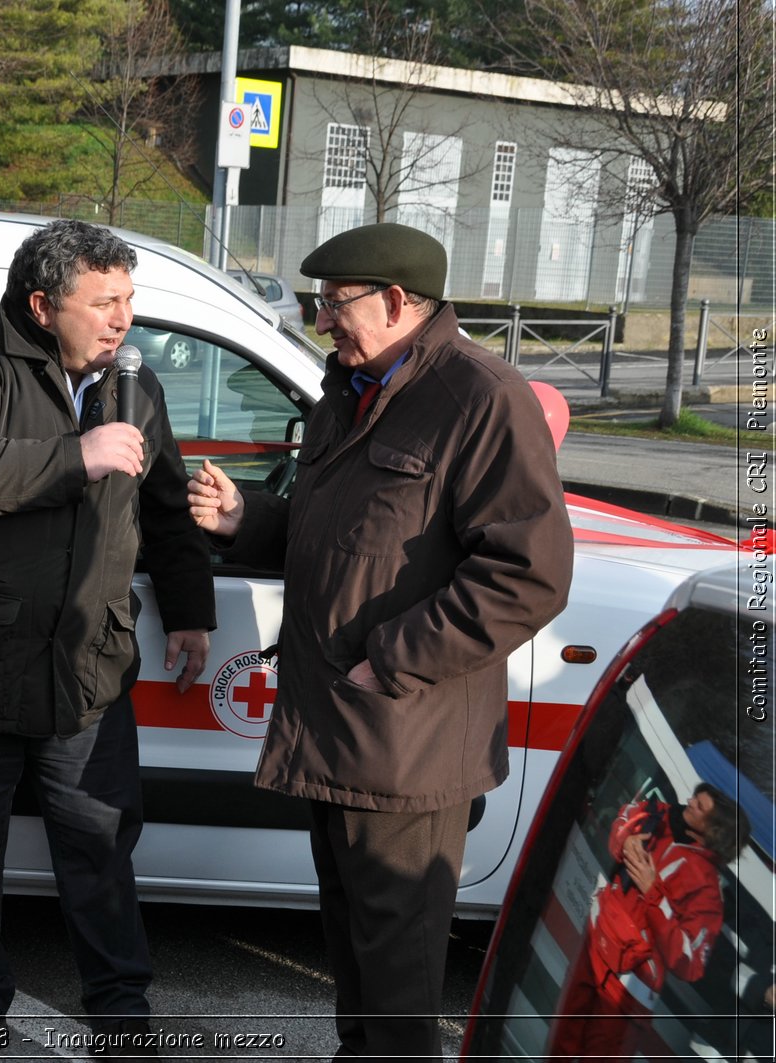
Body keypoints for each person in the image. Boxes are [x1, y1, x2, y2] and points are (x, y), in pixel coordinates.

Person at [188, 222, 574, 1060]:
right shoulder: (353, 385)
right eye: (318, 304)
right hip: (337, 732)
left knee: (397, 999)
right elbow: (341, 537)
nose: (323, 321)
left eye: (335, 304)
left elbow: (529, 574)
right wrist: (246, 520)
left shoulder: (481, 397)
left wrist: (391, 657)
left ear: (397, 301)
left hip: (406, 743)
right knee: (356, 971)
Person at [0, 218, 214, 1056]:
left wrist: (190, 608)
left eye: (129, 299)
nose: (123, 319)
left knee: (101, 850)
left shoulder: (133, 383)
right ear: (42, 304)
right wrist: (78, 455)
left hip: (87, 669)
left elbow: (168, 507)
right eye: (103, 301)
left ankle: (120, 1011)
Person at [548, 783, 747, 1061]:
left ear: (716, 830)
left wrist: (654, 892)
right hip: (593, 946)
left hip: (629, 989)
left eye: (699, 806)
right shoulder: (657, 813)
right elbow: (623, 817)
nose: (689, 802)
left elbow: (689, 962)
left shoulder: (707, 890)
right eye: (694, 798)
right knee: (558, 1049)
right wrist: (625, 839)